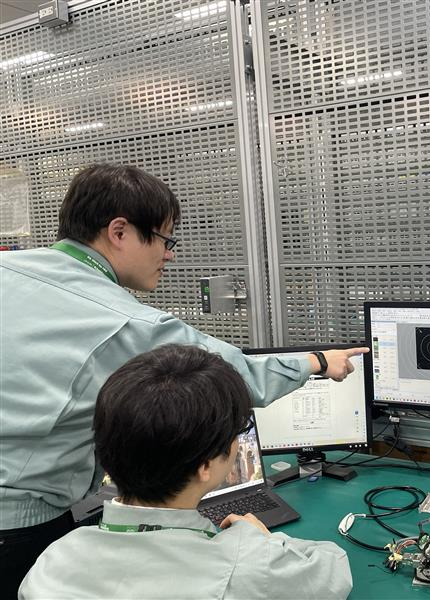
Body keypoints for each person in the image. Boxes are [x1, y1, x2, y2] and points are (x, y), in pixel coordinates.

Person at [0, 163, 367, 595]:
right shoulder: (122, 322)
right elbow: (232, 377)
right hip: (17, 528)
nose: (170, 254)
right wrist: (319, 362)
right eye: (165, 239)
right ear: (119, 232)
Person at [19, 344, 353, 599]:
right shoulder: (245, 567)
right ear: (206, 466)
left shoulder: (53, 561)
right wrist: (263, 540)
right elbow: (333, 570)